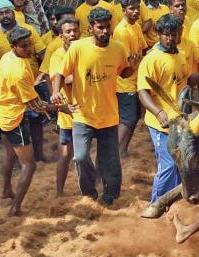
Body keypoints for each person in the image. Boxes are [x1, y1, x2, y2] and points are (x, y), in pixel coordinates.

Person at [52, 8, 137, 207]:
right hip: (83, 115)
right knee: (80, 157)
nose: (105, 31)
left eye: (108, 27)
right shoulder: (78, 49)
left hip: (108, 114)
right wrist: (56, 92)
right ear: (91, 29)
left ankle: (111, 196)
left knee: (111, 162)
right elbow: (61, 74)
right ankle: (89, 191)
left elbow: (123, 73)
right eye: (100, 28)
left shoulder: (117, 49)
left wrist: (132, 66)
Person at [137, 14, 199, 217]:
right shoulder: (151, 60)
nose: (170, 38)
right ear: (159, 34)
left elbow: (188, 82)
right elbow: (143, 92)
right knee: (169, 165)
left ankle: (174, 206)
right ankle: (156, 204)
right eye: (166, 34)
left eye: (174, 33)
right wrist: (159, 112)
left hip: (180, 123)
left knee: (183, 164)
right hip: (160, 123)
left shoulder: (179, 56)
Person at [0, 27, 53, 216]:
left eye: (30, 43)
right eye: (24, 46)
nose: (29, 48)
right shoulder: (18, 71)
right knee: (29, 164)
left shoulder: (9, 57)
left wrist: (33, 83)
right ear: (13, 46)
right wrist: (61, 108)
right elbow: (35, 105)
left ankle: (6, 190)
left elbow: (22, 87)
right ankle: (15, 208)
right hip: (12, 118)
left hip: (0, 111)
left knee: (10, 155)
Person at [0, 0, 48, 162]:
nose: (5, 15)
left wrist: (43, 75)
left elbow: (43, 53)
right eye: (1, 13)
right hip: (15, 92)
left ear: (14, 11)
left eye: (7, 11)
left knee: (36, 122)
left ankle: (39, 154)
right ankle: (22, 159)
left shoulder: (28, 30)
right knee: (22, 123)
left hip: (33, 82)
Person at [49, 17, 80, 197]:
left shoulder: (83, 49)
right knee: (65, 153)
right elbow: (62, 80)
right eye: (68, 32)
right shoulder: (58, 55)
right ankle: (59, 191)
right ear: (61, 35)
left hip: (88, 111)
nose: (72, 34)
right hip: (68, 112)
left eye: (75, 30)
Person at [113, 0, 148, 157]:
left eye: (137, 8)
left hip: (136, 80)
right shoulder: (122, 30)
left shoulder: (137, 26)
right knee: (127, 119)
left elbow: (143, 49)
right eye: (131, 8)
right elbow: (127, 61)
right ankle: (113, 153)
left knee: (134, 118)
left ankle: (122, 150)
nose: (135, 11)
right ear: (123, 10)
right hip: (125, 83)